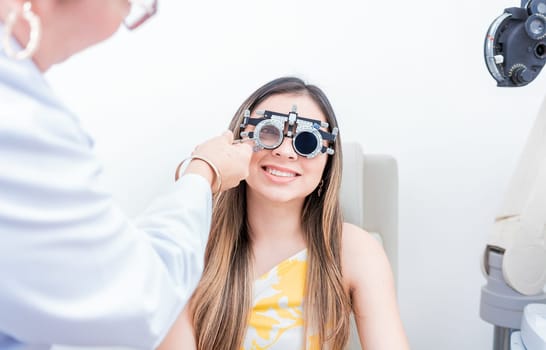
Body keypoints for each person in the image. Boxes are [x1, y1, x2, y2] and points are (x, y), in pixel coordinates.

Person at [0, 0, 252, 349]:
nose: (285, 151)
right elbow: (139, 304)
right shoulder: (18, 115)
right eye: (127, 5)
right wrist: (202, 172)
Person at [158, 77, 411, 350]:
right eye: (268, 132)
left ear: (327, 163)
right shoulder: (193, 247)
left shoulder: (354, 250)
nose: (285, 151)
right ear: (237, 143)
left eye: (306, 141)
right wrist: (203, 170)